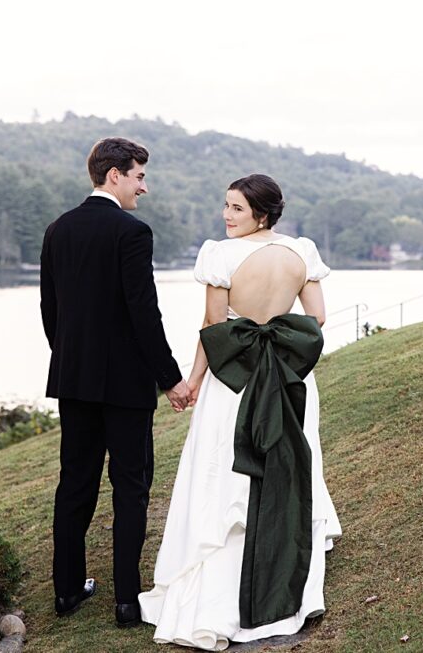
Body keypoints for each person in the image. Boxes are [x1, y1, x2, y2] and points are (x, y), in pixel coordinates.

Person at [139, 174, 342, 650]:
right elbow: (317, 319)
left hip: (235, 380)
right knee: (286, 462)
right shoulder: (302, 252)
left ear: (261, 214)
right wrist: (277, 343)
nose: (226, 216)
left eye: (236, 208)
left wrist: (191, 382)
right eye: (226, 206)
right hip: (289, 379)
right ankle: (283, 574)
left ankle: (218, 588)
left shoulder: (219, 255)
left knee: (222, 473)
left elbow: (214, 326)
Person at [40, 137, 192, 628]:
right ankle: (127, 601)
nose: (143, 187)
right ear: (114, 176)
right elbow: (143, 313)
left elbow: (50, 312)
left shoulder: (57, 230)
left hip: (74, 380)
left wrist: (70, 360)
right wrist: (170, 379)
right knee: (130, 487)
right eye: (139, 176)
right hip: (125, 386)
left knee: (75, 484)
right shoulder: (133, 232)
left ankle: (67, 592)